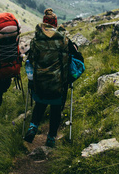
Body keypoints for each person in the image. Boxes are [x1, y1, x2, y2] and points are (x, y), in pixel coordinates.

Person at [24, 8, 84, 147]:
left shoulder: (36, 40)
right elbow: (77, 57)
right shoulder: (64, 40)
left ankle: (33, 127)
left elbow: (30, 59)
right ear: (55, 24)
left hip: (40, 82)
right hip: (59, 83)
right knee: (56, 109)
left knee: (40, 104)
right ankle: (51, 138)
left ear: (44, 24)